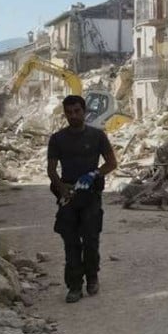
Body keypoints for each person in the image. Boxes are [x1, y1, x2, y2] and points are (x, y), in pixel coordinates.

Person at [47, 95, 118, 303]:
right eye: (69, 112)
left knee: (90, 239)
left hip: (91, 195)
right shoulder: (57, 139)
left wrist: (94, 174)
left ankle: (92, 276)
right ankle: (74, 286)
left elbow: (111, 163)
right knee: (70, 242)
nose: (73, 116)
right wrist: (62, 188)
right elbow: (51, 170)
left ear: (84, 111)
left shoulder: (97, 136)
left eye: (77, 111)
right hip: (68, 196)